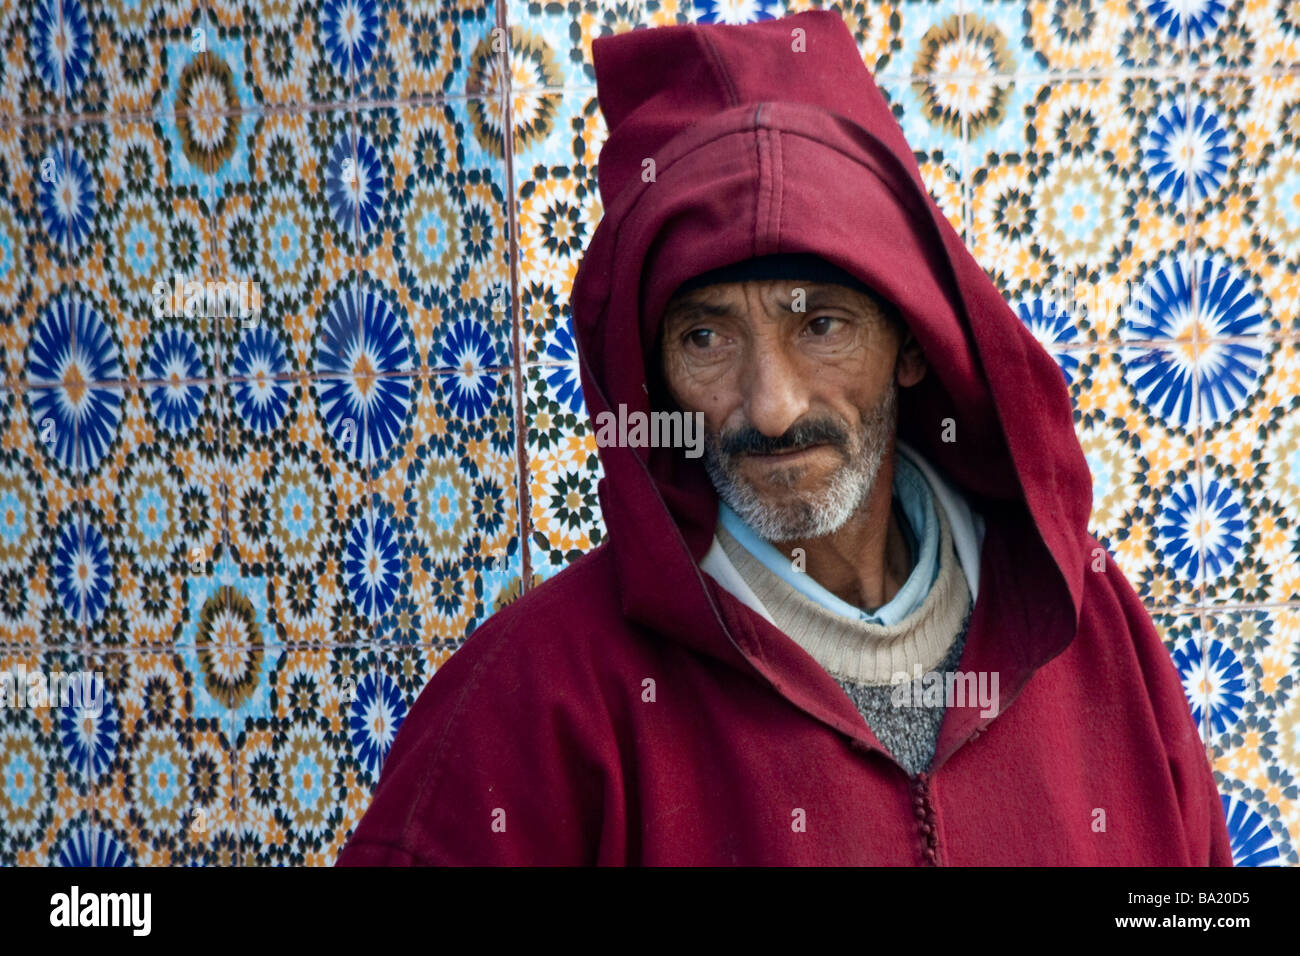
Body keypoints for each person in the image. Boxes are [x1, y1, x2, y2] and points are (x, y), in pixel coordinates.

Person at [336, 9, 1232, 865]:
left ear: (910, 344)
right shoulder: (538, 702)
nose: (769, 407)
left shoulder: (1091, 630)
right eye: (706, 338)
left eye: (821, 326)